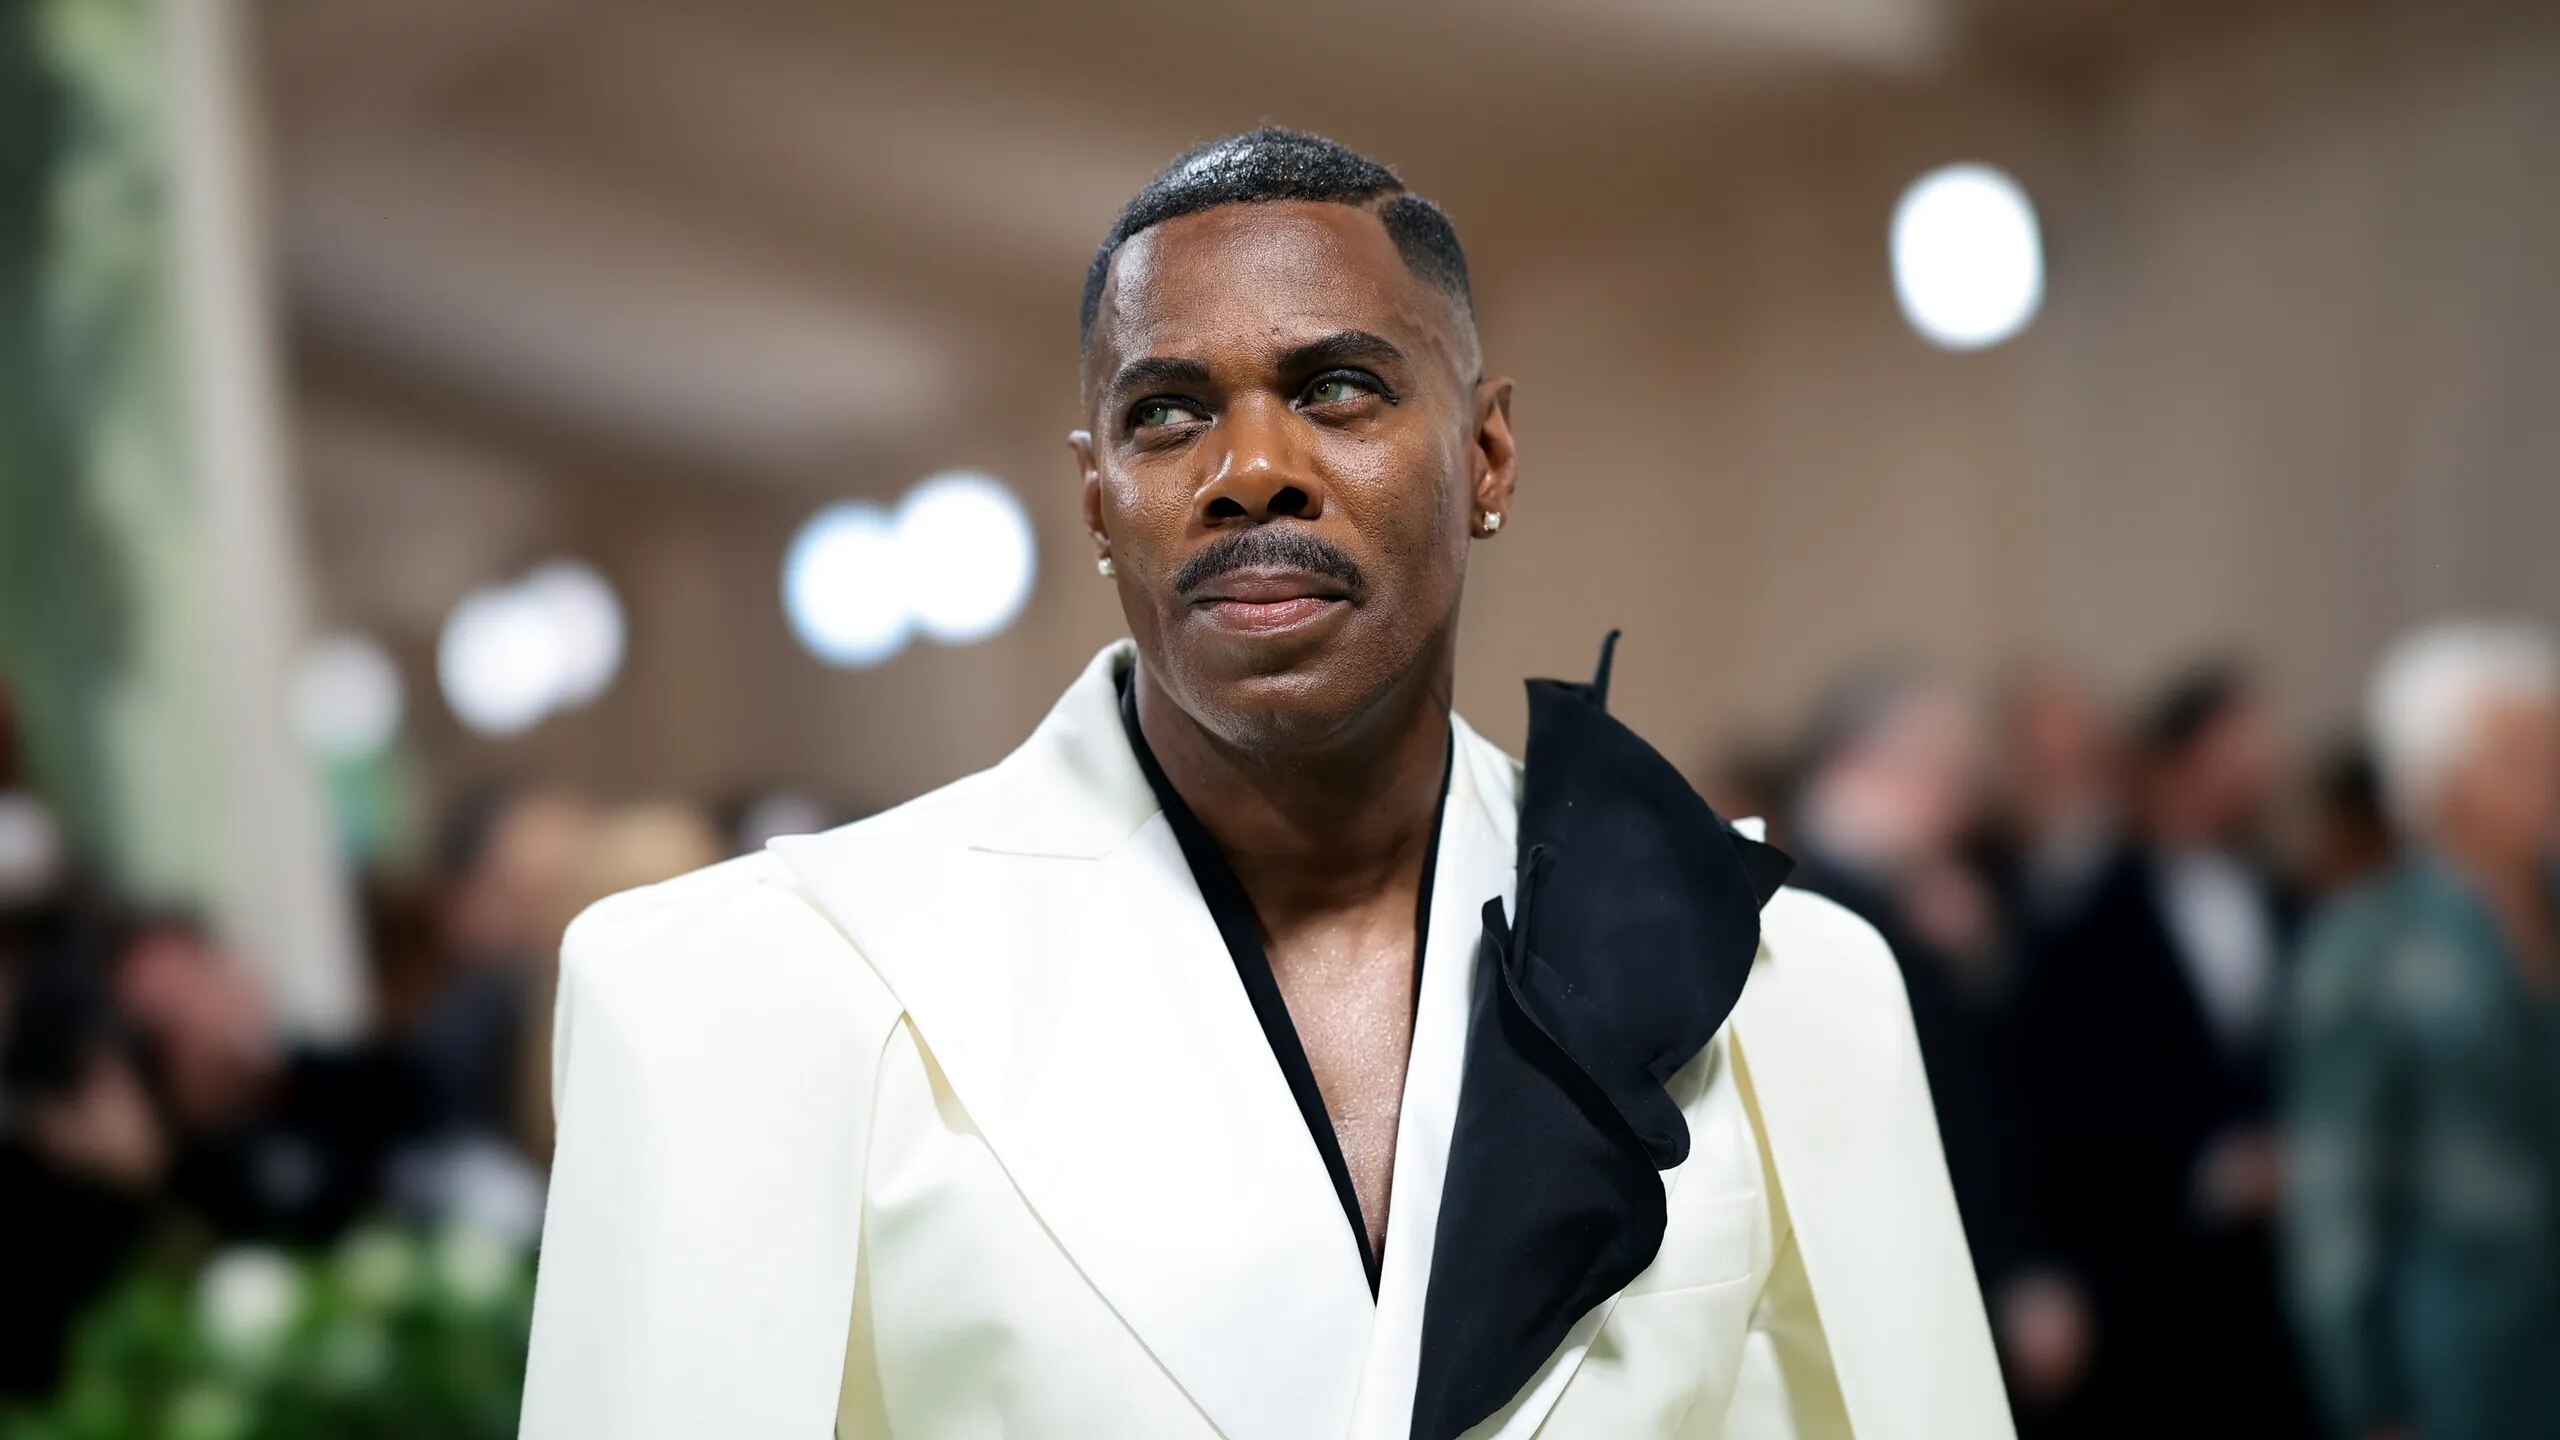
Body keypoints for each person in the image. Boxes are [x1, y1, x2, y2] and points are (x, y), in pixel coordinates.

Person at [521, 128, 2007, 1440]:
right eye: (1166, 413)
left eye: (1340, 389)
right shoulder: (764, 989)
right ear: (1098, 499)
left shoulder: (1785, 987)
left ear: (1486, 453)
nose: (1251, 468)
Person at [2016, 665, 2316, 1437]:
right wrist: (2209, 1166)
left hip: (2268, 1278)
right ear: (2170, 765)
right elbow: (2071, 1089)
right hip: (2143, 1267)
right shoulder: (2091, 916)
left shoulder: (2281, 898)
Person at [2283, 621, 2560, 1440]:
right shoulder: (2368, 942)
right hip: (2457, 1349)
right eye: (2522, 753)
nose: (2549, 773)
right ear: (2444, 779)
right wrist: (2365, 1392)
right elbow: (2335, 1189)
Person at [1782, 665, 2079, 1416]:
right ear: (1865, 765)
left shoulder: (1927, 895)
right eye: (1942, 774)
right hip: (1869, 1273)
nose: (1959, 806)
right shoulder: (1813, 901)